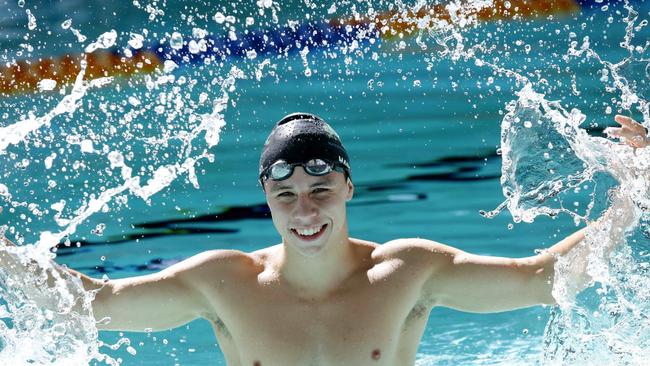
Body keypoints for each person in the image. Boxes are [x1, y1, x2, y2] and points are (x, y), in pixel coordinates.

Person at [1, 112, 648, 365]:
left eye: (319, 192)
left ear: (348, 189)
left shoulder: (407, 273)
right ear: (268, 203)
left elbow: (543, 281)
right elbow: (94, 305)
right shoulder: (222, 282)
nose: (304, 211)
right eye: (285, 197)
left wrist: (632, 196)